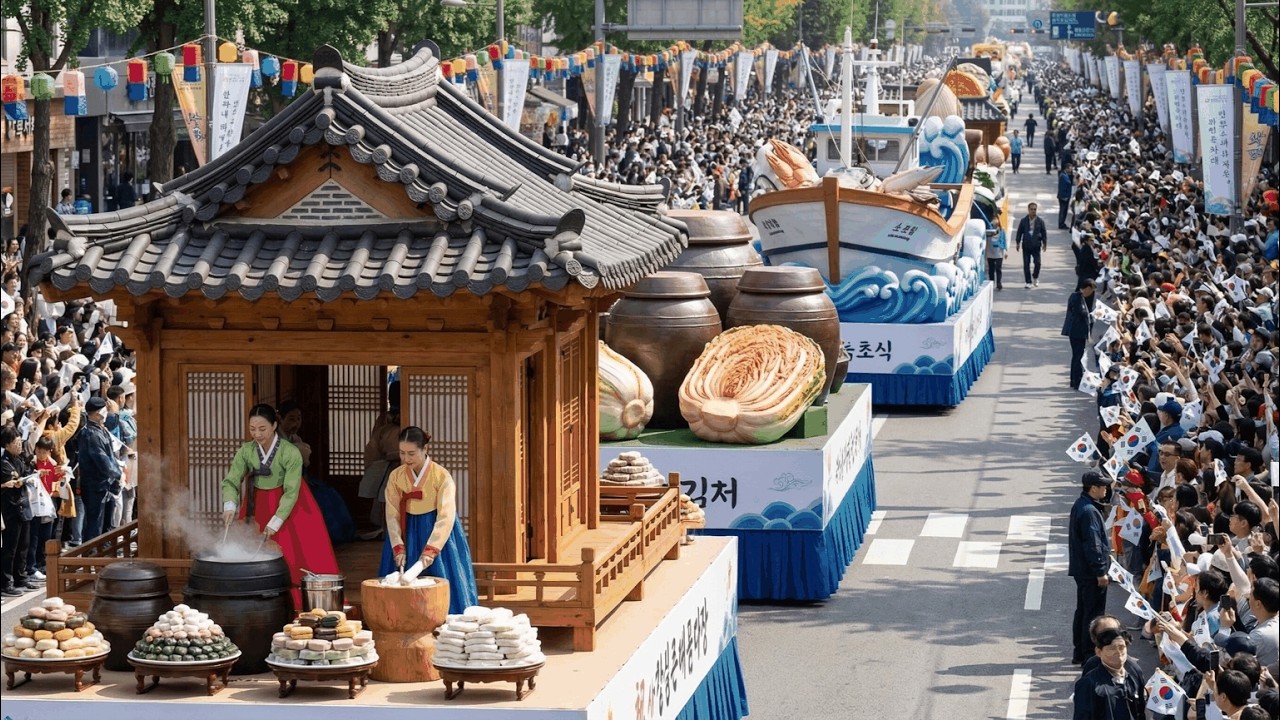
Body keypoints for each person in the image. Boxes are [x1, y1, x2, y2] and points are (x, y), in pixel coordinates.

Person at [221, 403, 339, 610]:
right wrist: (230, 505)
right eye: (252, 429)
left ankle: (304, 604)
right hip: (257, 503)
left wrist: (275, 522)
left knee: (297, 553)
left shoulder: (290, 452)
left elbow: (292, 491)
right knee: (251, 552)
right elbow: (231, 481)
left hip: (292, 505)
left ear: (275, 425)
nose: (257, 434)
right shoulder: (246, 451)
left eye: (262, 429)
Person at [379, 426, 478, 614]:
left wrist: (430, 551)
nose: (406, 459)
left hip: (436, 532)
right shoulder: (396, 477)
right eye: (402, 453)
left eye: (411, 453)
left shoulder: (441, 476)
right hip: (406, 530)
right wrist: (397, 545)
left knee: (444, 580)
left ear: (425, 449)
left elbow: (446, 516)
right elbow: (392, 514)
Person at [1070, 470, 1112, 665]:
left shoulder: (1083, 506)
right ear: (1093, 488)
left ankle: (1080, 651)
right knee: (1093, 615)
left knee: (1083, 611)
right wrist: (1100, 570)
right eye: (1103, 486)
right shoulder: (1089, 511)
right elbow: (1093, 543)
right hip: (1090, 572)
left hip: (1083, 570)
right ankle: (1088, 654)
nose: (1106, 489)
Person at [1072, 627, 1146, 719]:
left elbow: (1140, 709)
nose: (1118, 652)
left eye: (1122, 647)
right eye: (1112, 648)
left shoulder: (1134, 672)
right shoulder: (1088, 684)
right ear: (1099, 652)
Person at [76, 396, 121, 541]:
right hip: (95, 485)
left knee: (104, 525)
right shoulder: (91, 434)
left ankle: (102, 556)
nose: (107, 412)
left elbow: (110, 457)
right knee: (94, 525)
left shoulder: (100, 429)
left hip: (104, 484)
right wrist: (118, 474)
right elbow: (103, 461)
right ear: (97, 413)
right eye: (105, 410)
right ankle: (91, 557)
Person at [0, 425, 36, 596]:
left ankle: (21, 577)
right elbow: (12, 480)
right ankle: (6, 583)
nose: (20, 445)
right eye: (16, 443)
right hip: (10, 509)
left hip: (24, 506)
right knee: (10, 548)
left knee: (24, 545)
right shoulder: (3, 463)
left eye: (20, 442)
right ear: (7, 445)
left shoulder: (20, 459)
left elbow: (27, 474)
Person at [1063, 279, 1096, 390]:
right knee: (1078, 356)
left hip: (1078, 331)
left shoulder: (1081, 298)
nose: (1091, 293)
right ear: (1087, 288)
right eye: (1091, 290)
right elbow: (1081, 313)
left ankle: (1076, 379)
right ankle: (1076, 380)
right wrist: (1092, 316)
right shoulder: (1076, 297)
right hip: (1076, 332)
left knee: (1077, 356)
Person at [1015, 202, 1048, 288]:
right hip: (1026, 245)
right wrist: (1017, 242)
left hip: (1036, 245)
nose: (1033, 211)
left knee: (1038, 263)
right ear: (1028, 210)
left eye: (1035, 209)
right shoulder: (1023, 221)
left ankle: (1035, 277)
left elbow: (1044, 232)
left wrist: (1045, 243)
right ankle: (1028, 281)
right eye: (1031, 209)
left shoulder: (1040, 221)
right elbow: (1019, 232)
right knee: (1026, 264)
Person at [1057, 164, 1074, 229]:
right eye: (1070, 168)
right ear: (1066, 168)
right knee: (1063, 210)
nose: (1071, 170)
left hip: (1066, 196)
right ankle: (1061, 223)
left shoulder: (1065, 175)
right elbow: (1063, 187)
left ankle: (1062, 222)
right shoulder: (1063, 176)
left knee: (1064, 210)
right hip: (1064, 196)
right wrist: (1064, 196)